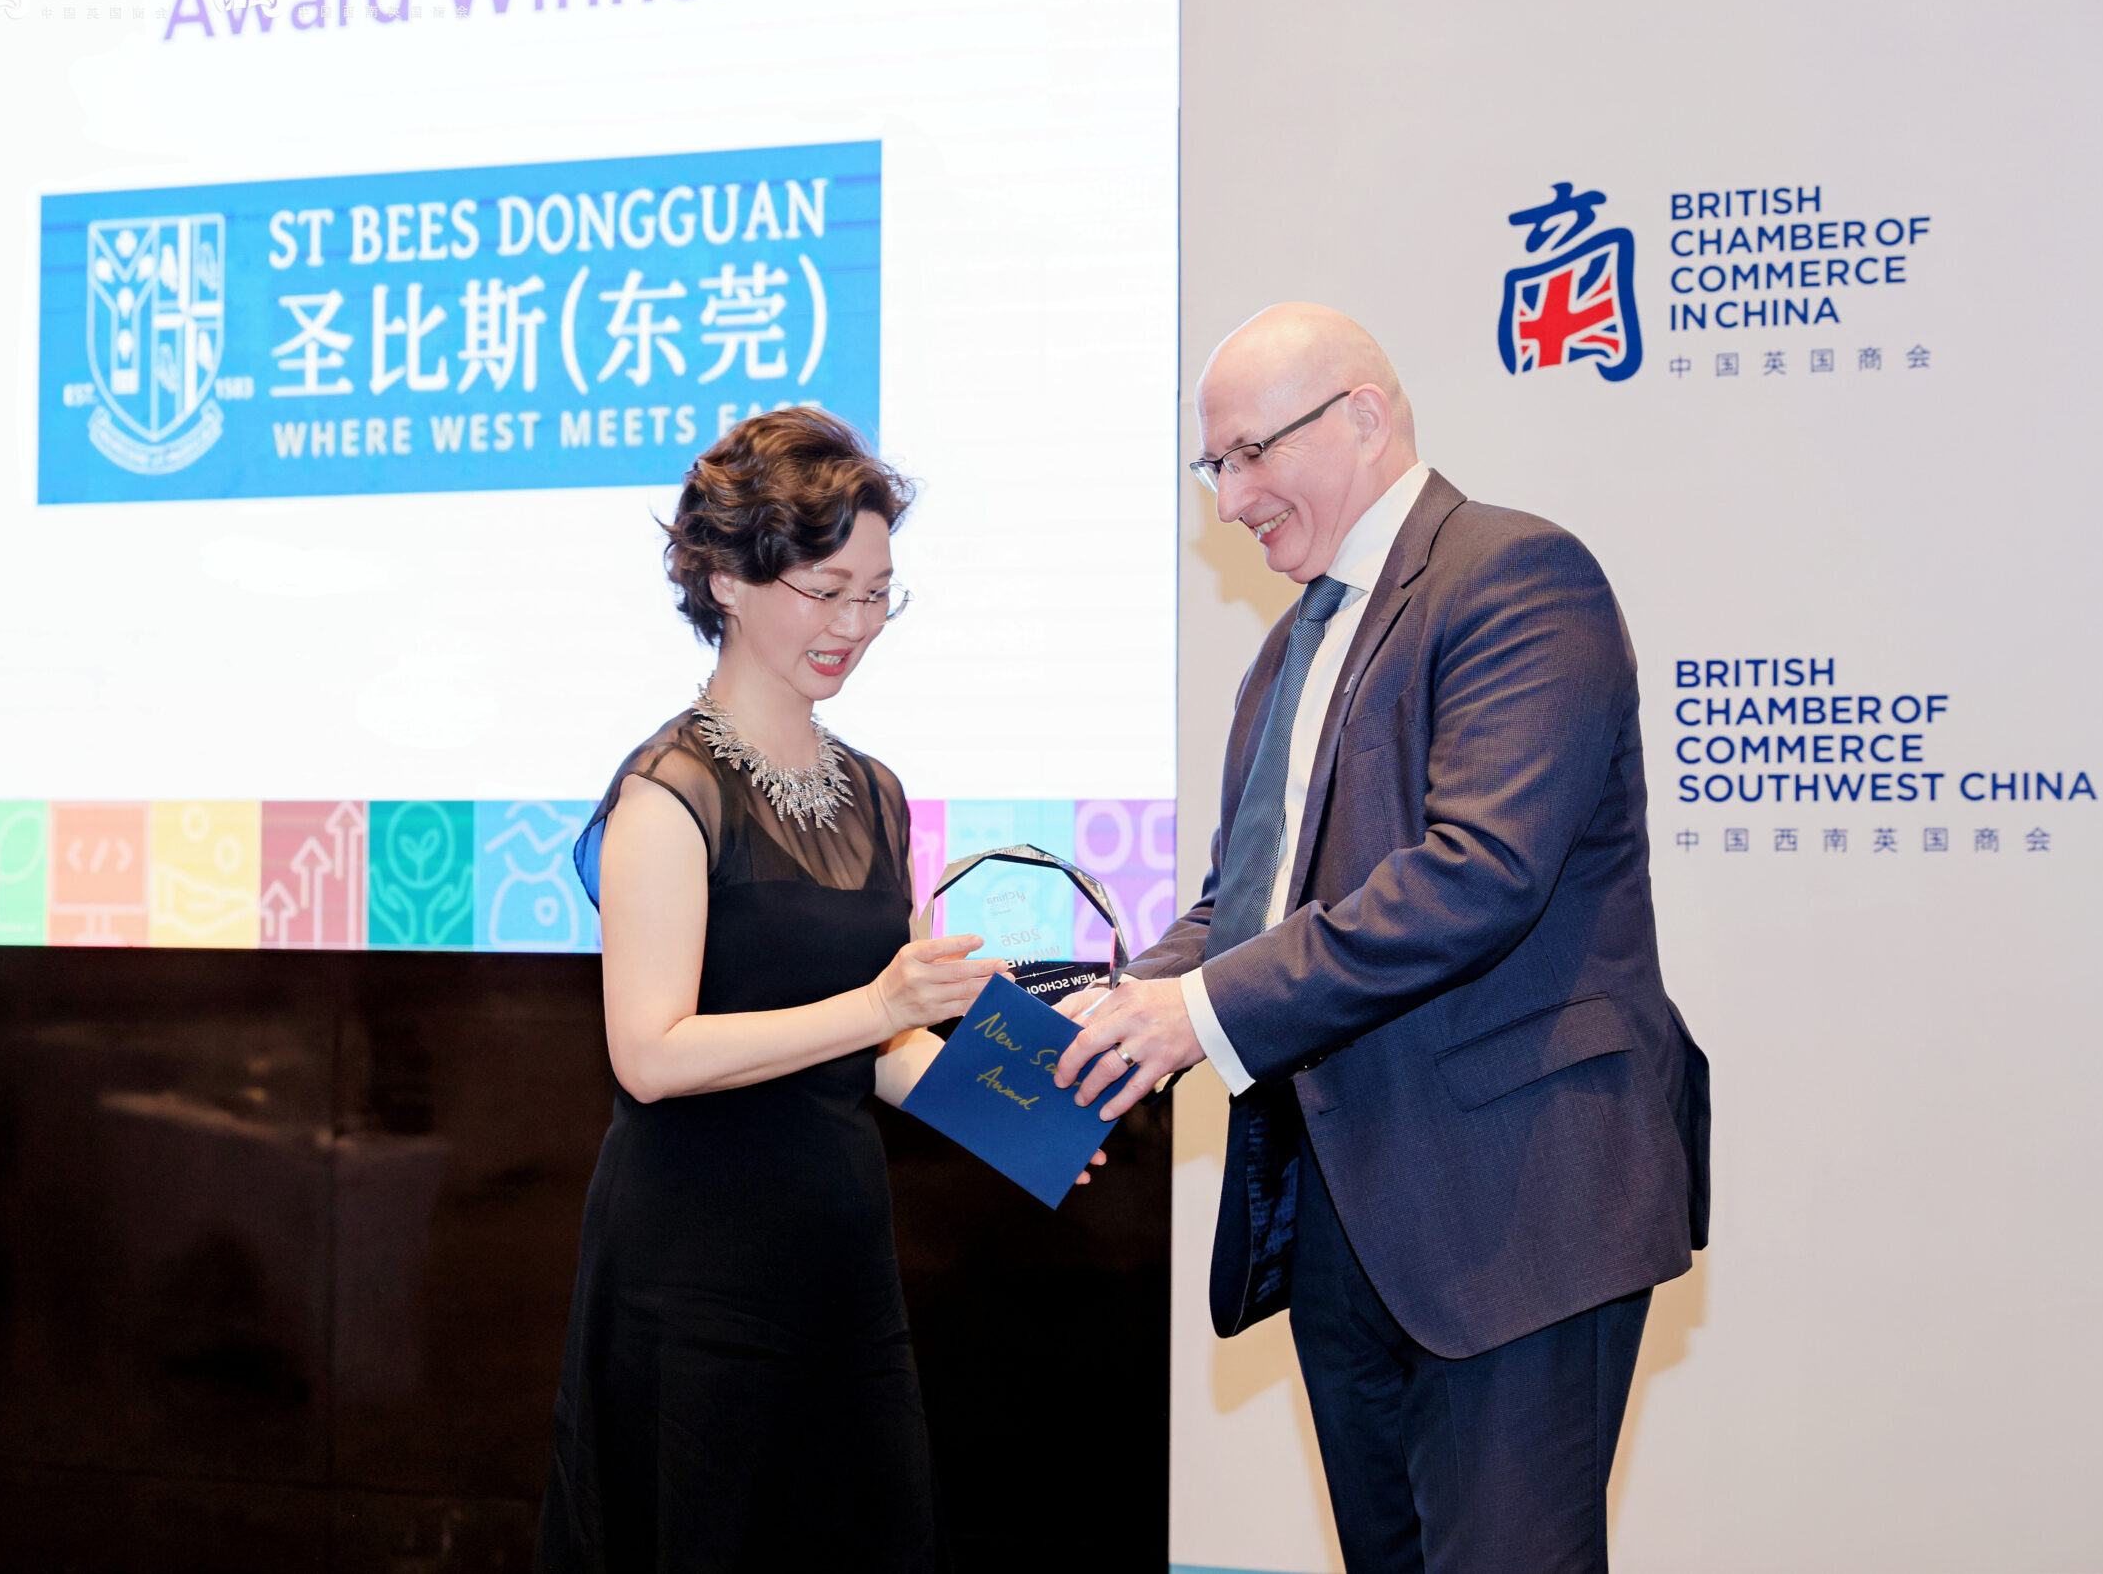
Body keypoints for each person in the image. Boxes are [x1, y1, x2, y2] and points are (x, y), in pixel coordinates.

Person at [1056, 304, 1710, 1573]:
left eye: (1251, 454)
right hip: (1341, 1223)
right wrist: (1115, 1009)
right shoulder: (1288, 651)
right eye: (1212, 466)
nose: (1230, 500)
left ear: (1363, 415)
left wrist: (1191, 1017)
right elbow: (1247, 905)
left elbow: (1477, 877)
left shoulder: (1517, 574)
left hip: (1515, 1210)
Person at [535, 407, 1098, 1573]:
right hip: (694, 1269)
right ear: (728, 581)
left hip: (840, 1258)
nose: (854, 625)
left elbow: (875, 1049)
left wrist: (1021, 1118)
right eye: (826, 590)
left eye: (877, 595)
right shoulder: (668, 794)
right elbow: (650, 1053)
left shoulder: (874, 794)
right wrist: (883, 1006)